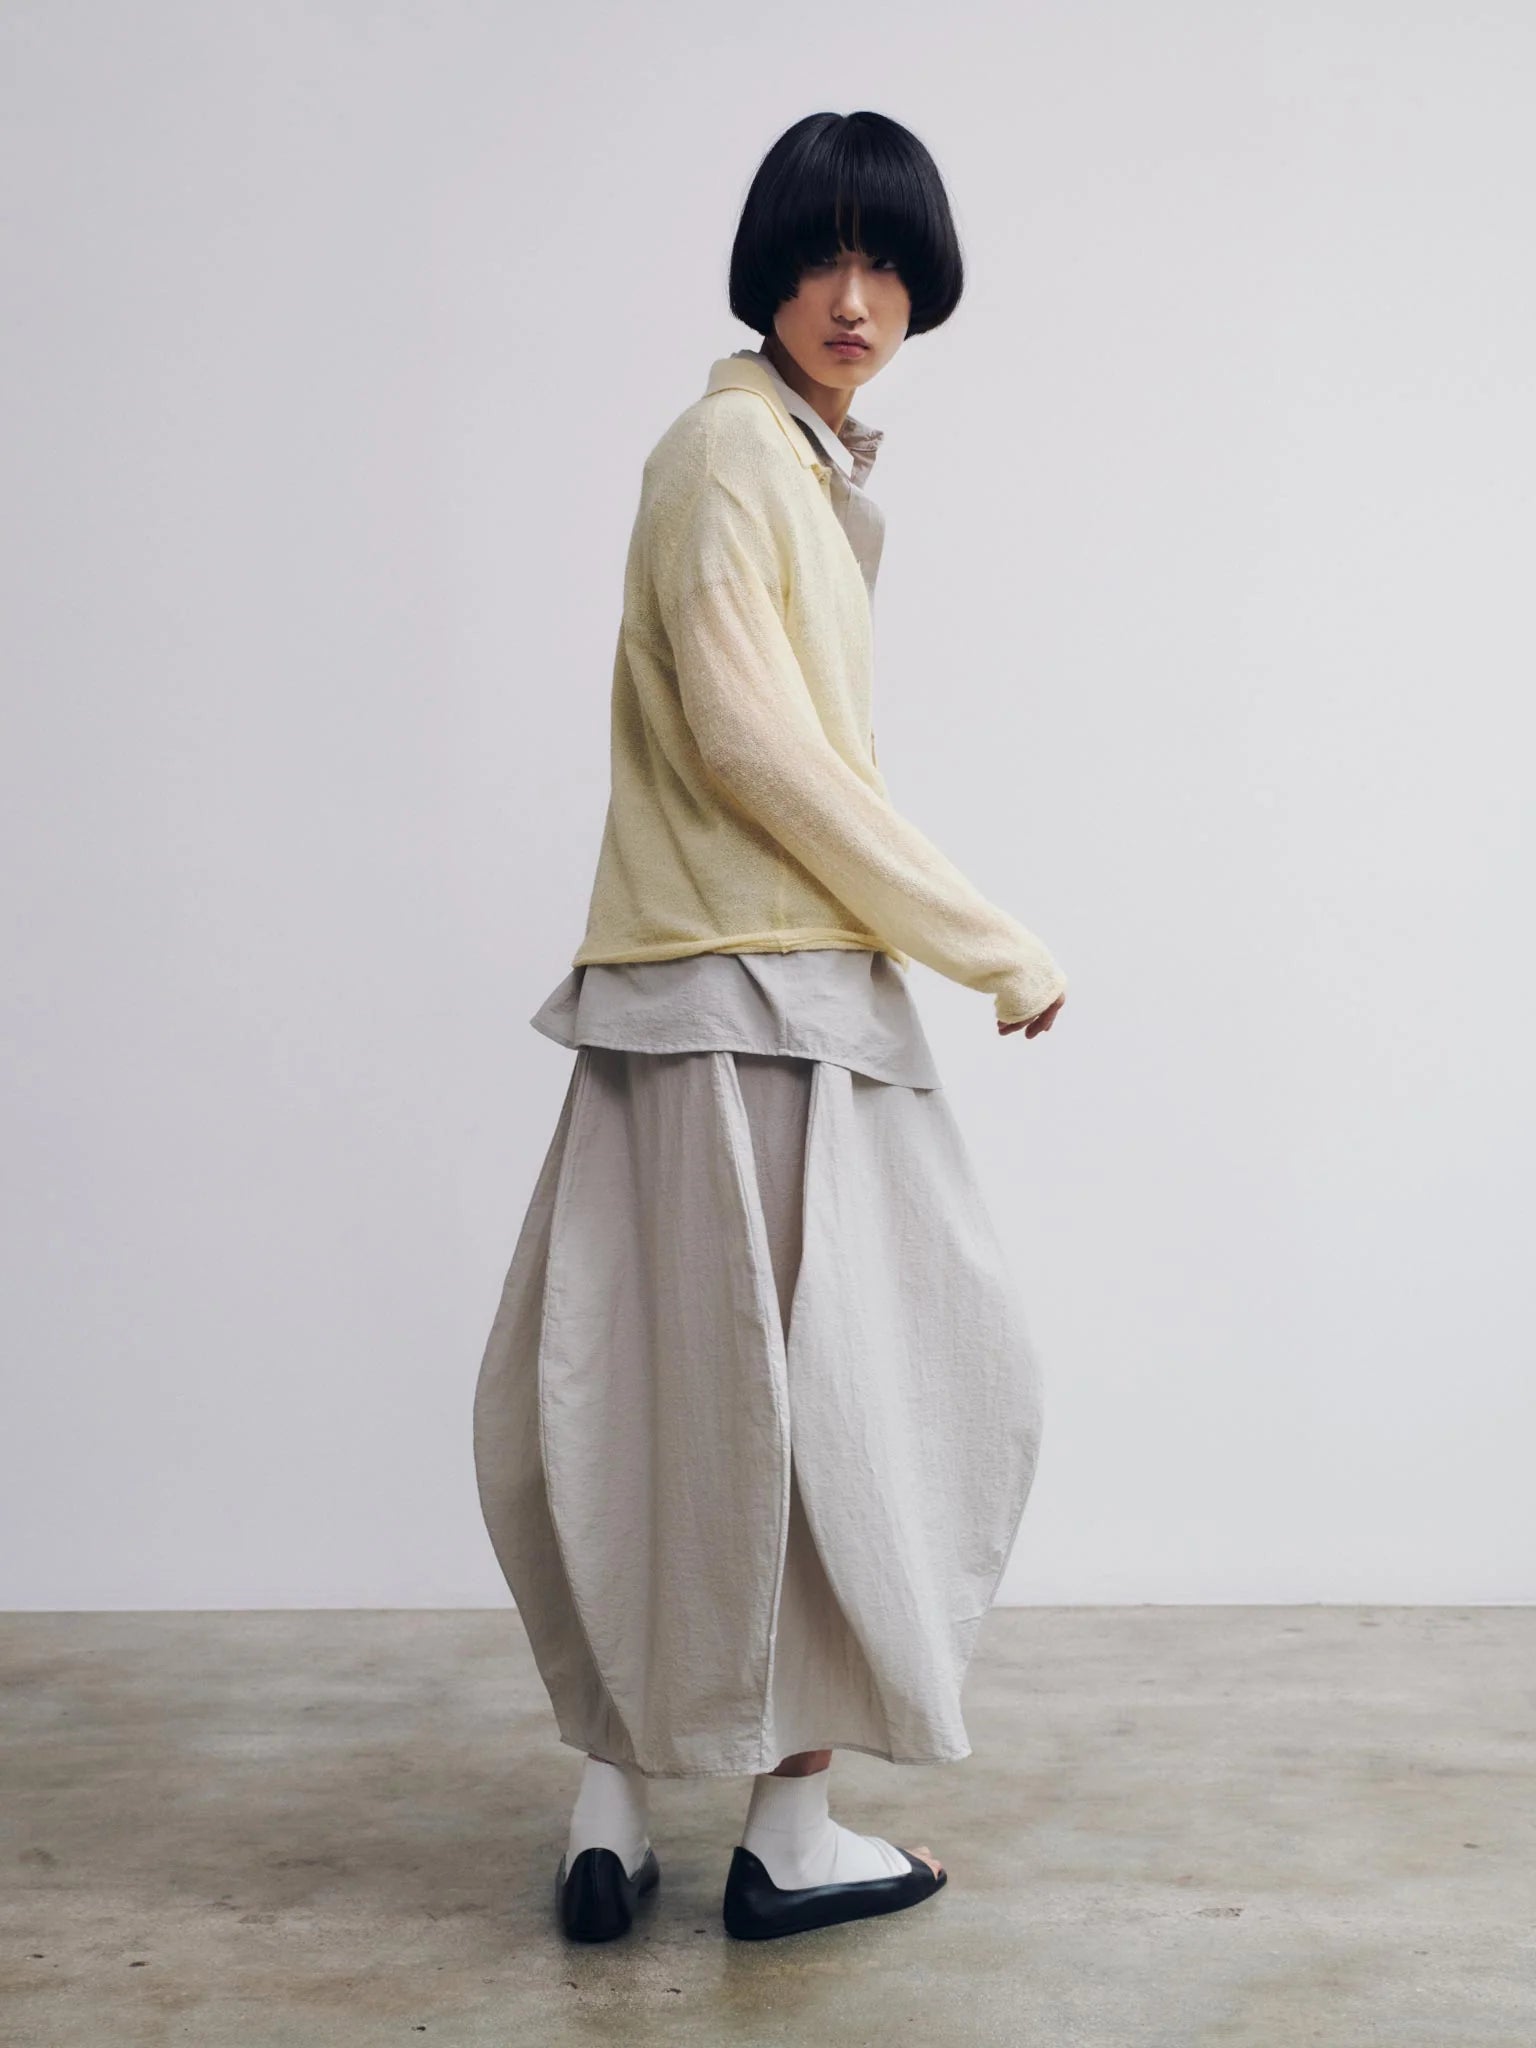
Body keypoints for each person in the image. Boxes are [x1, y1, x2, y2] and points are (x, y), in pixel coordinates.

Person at [472, 108, 1068, 1946]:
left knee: (649, 1407)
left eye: (886, 262)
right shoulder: (737, 453)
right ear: (769, 274)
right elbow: (758, 749)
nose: (856, 296)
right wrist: (986, 941)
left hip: (674, 994)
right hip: (770, 1001)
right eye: (823, 257)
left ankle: (610, 1815)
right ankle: (786, 1833)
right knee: (845, 1417)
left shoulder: (767, 461)